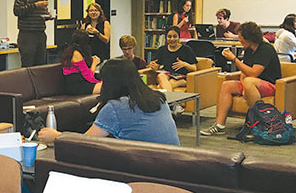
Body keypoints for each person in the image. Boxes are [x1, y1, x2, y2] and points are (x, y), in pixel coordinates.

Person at [39, 58, 179, 145]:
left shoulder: (116, 107)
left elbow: (85, 143)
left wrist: (56, 136)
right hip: (172, 165)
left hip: (145, 171)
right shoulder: (159, 98)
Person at [201, 21, 282, 136]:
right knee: (227, 85)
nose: (239, 41)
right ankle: (220, 125)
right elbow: (244, 71)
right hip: (252, 84)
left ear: (249, 38)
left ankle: (258, 124)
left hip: (271, 85)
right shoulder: (249, 50)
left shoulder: (266, 50)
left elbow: (253, 73)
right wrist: (244, 85)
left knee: (249, 81)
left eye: (241, 38)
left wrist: (234, 59)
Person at [14, 0, 52, 67]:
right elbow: (17, 11)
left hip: (40, 33)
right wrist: (35, 5)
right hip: (27, 34)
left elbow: (41, 12)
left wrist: (48, 16)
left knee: (41, 65)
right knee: (28, 65)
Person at [149, 26, 198, 92]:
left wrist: (184, 64)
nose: (172, 39)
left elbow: (194, 68)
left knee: (163, 85)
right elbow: (156, 68)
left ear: (179, 37)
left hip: (182, 77)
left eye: (175, 36)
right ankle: (170, 99)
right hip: (167, 75)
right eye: (169, 36)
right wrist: (153, 66)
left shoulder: (186, 49)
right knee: (161, 76)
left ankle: (168, 99)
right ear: (166, 38)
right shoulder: (162, 49)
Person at [61, 30, 102, 95]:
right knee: (107, 87)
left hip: (82, 82)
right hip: (77, 86)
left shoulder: (74, 51)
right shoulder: (76, 54)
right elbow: (89, 77)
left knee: (110, 85)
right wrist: (94, 63)